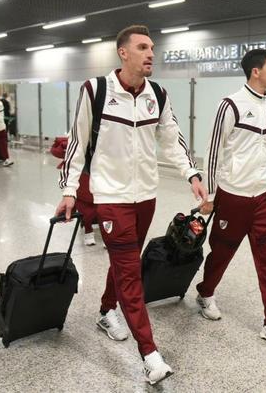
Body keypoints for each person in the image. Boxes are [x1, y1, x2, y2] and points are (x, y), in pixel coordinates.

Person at [55, 25, 207, 385]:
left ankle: (107, 310)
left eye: (152, 47)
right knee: (130, 272)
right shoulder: (96, 90)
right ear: (123, 53)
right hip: (111, 198)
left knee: (127, 261)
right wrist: (70, 190)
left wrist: (191, 174)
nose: (150, 53)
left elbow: (171, 139)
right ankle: (150, 354)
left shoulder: (158, 93)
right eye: (142, 47)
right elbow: (77, 144)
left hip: (145, 196)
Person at [197, 49, 266, 348]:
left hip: (263, 197)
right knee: (222, 252)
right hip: (233, 195)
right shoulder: (230, 105)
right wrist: (211, 194)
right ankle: (205, 293)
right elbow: (213, 151)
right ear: (256, 71)